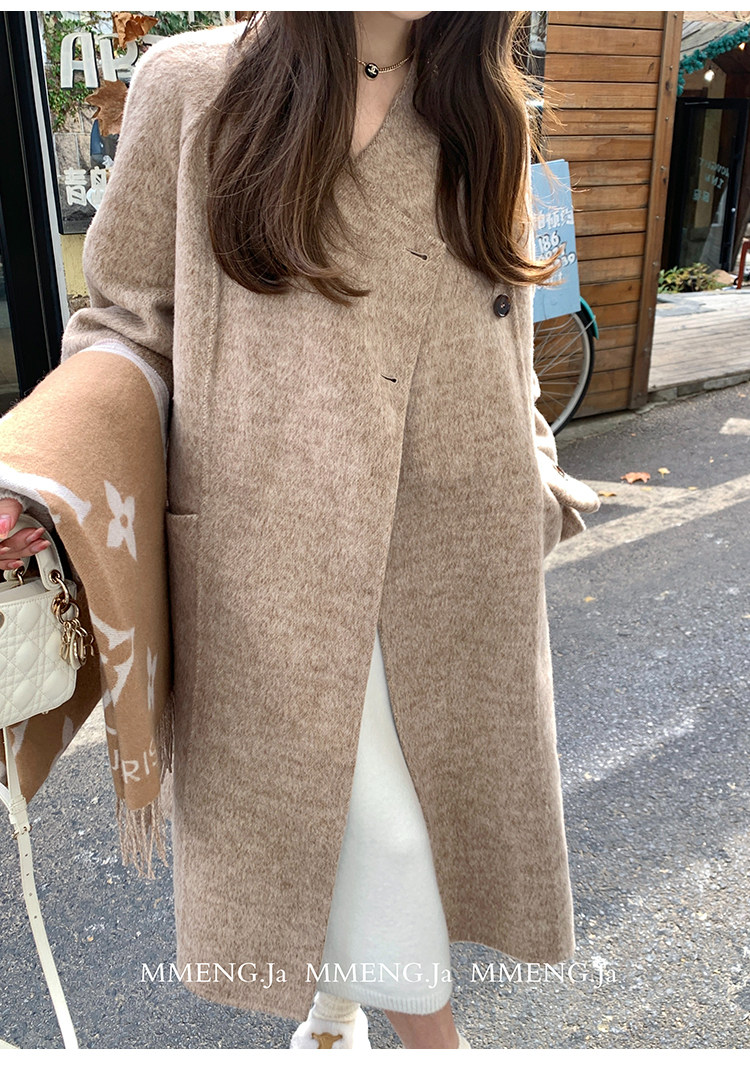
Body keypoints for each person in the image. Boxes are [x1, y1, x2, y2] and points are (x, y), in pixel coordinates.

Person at [0, 10, 600, 1049]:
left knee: (402, 821)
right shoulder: (194, 86)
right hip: (273, 556)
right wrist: (40, 468)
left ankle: (332, 1015)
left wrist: (535, 471)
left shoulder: (482, 103)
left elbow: (505, 327)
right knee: (381, 833)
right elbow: (126, 320)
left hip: (461, 551)